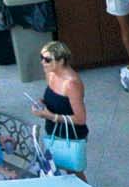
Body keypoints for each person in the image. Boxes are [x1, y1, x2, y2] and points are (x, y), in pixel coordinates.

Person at [31, 41, 89, 177]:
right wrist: (41, 103)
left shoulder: (71, 84)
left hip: (71, 133)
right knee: (54, 165)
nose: (42, 62)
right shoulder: (51, 73)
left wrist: (50, 116)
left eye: (47, 60)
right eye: (41, 58)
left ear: (61, 61)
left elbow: (81, 119)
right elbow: (54, 98)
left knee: (74, 172)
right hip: (53, 129)